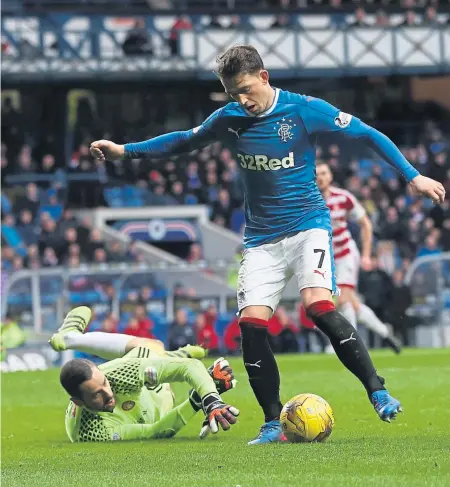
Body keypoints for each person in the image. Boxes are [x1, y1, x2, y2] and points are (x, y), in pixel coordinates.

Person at [90, 44, 445, 444]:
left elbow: (367, 134)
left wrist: (412, 176)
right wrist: (124, 151)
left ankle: (377, 390)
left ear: (264, 77)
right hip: (261, 239)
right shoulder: (230, 119)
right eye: (231, 93)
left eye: (245, 89)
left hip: (308, 224)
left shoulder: (303, 110)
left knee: (319, 306)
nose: (241, 99)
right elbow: (183, 141)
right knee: (252, 324)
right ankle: (273, 421)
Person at [50, 307, 239, 442]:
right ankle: (172, 356)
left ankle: (72, 336)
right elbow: (156, 431)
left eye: (105, 384)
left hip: (144, 384)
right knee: (164, 391)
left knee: (153, 347)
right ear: (79, 402)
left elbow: (190, 367)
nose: (108, 394)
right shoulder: (92, 432)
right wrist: (196, 400)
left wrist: (211, 399)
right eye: (96, 395)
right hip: (152, 407)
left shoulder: (119, 374)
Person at [316, 161, 402, 354]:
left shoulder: (343, 198)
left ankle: (347, 344)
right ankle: (385, 333)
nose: (320, 177)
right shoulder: (308, 201)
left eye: (323, 173)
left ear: (330, 176)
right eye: (316, 174)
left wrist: (365, 255)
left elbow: (365, 223)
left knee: (342, 298)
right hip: (324, 260)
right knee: (351, 304)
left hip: (346, 254)